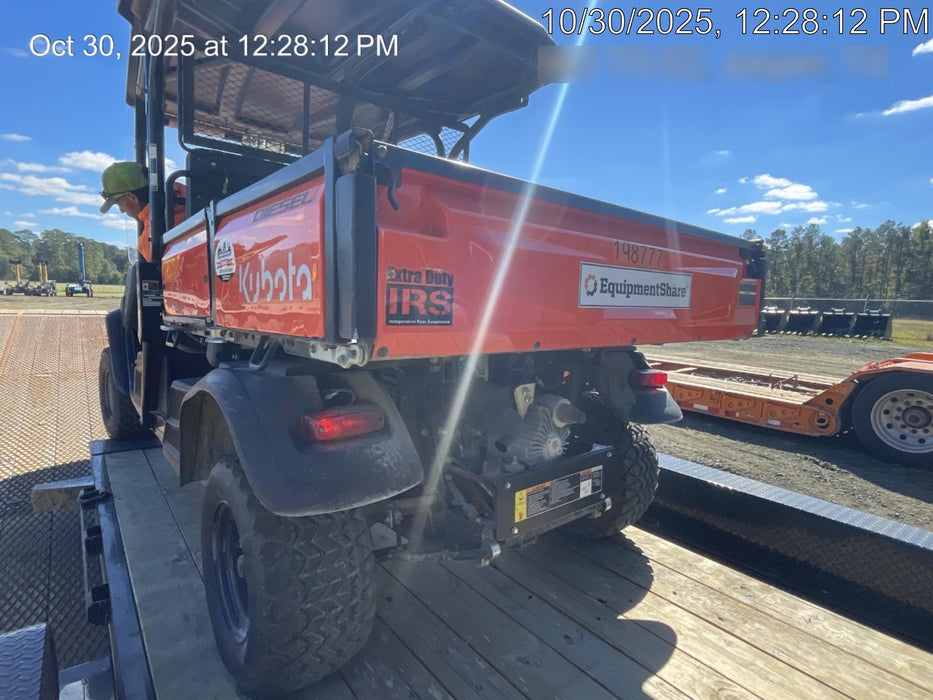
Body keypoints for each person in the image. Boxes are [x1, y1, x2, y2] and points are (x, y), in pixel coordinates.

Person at [99, 161, 185, 263]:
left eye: (119, 204)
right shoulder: (192, 196)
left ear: (132, 198)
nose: (122, 210)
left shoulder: (150, 238)